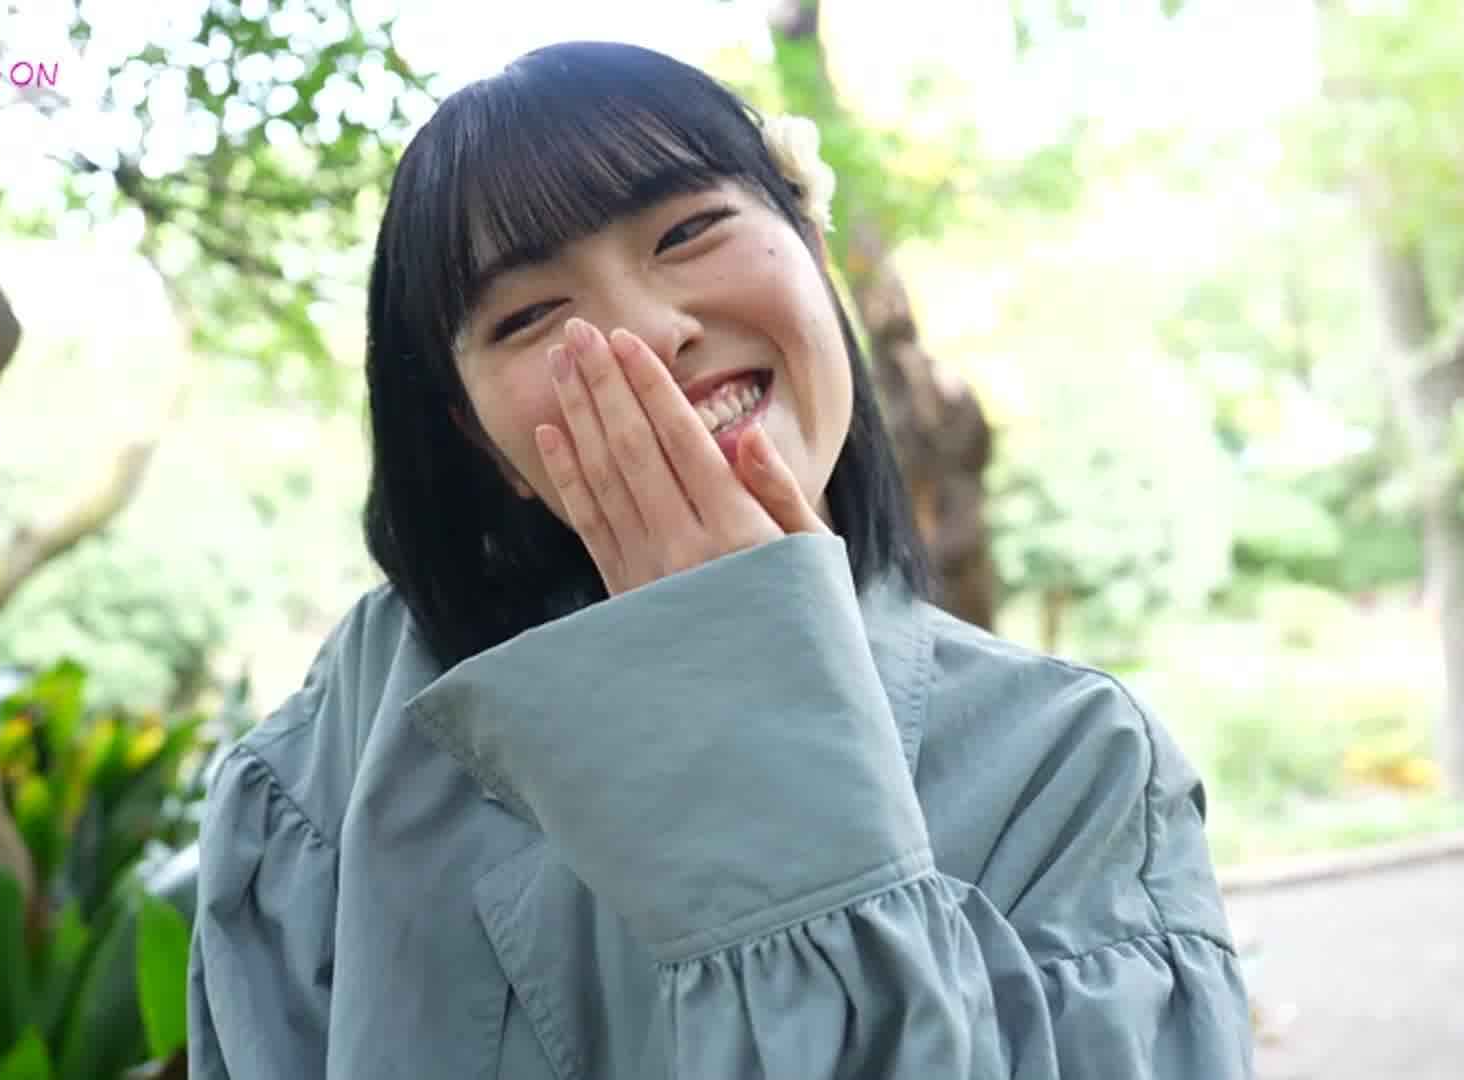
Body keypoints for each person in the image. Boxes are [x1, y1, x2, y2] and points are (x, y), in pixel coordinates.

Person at [187, 39, 1255, 1079]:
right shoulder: (346, 749)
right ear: (483, 441)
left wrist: (749, 694)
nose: (649, 334)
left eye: (689, 229)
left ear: (814, 251)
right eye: (532, 314)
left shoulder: (1074, 767)